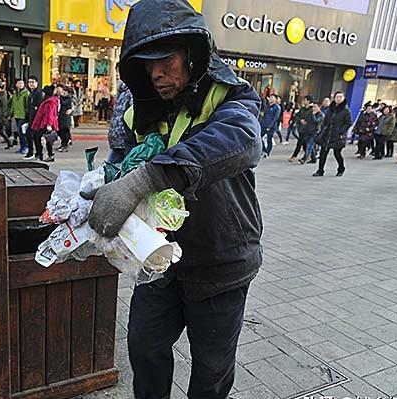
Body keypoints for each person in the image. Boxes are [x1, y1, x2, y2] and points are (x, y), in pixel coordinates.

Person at [81, 0, 263, 397]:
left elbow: (241, 140)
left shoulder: (232, 98)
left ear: (192, 54)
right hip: (158, 259)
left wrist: (146, 178)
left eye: (165, 60)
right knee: (144, 349)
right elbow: (122, 160)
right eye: (147, 65)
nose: (157, 73)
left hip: (220, 263)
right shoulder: (144, 109)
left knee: (211, 374)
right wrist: (102, 186)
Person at [313, 91, 352, 177]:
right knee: (323, 153)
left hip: (338, 135)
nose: (338, 99)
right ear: (334, 98)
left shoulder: (346, 110)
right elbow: (325, 121)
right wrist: (323, 129)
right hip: (327, 134)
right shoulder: (331, 109)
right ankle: (320, 170)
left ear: (343, 98)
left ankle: (341, 168)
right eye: (337, 97)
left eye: (340, 97)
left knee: (337, 153)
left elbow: (348, 123)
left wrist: (341, 131)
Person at [108, 73, 133, 163]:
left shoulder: (129, 92)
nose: (117, 75)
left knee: (112, 166)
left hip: (123, 136)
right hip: (120, 136)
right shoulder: (123, 92)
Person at [30, 85, 59, 162]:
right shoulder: (49, 101)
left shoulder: (49, 102)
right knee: (46, 139)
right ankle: (46, 154)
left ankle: (42, 154)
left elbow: (49, 114)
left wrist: (48, 125)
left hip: (45, 123)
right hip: (44, 123)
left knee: (40, 138)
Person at [23, 76, 44, 160]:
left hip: (36, 119)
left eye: (33, 82)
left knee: (34, 136)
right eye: (29, 82)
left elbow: (37, 107)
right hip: (31, 118)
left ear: (37, 83)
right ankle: (35, 153)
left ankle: (35, 153)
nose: (31, 84)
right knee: (31, 136)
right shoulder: (30, 93)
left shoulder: (38, 93)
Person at [289, 96, 312, 162]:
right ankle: (308, 155)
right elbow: (296, 116)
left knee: (299, 143)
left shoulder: (311, 110)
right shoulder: (303, 109)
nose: (304, 101)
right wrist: (300, 120)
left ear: (308, 101)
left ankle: (294, 156)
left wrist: (306, 121)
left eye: (305, 100)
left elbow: (312, 118)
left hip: (308, 129)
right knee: (304, 143)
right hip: (301, 128)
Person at [11, 79, 29, 155]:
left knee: (21, 131)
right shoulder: (15, 94)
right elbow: (13, 104)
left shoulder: (26, 93)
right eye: (19, 83)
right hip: (17, 114)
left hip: (23, 115)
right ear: (16, 84)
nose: (21, 84)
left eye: (22, 83)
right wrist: (11, 113)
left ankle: (25, 147)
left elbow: (27, 105)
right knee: (19, 132)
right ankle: (22, 147)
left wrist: (27, 114)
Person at [57, 84, 73, 152]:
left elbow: (63, 103)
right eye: (63, 91)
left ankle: (65, 145)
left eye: (65, 91)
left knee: (64, 131)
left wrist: (60, 96)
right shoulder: (62, 97)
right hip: (60, 116)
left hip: (65, 118)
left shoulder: (68, 99)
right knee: (59, 131)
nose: (63, 92)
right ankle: (63, 144)